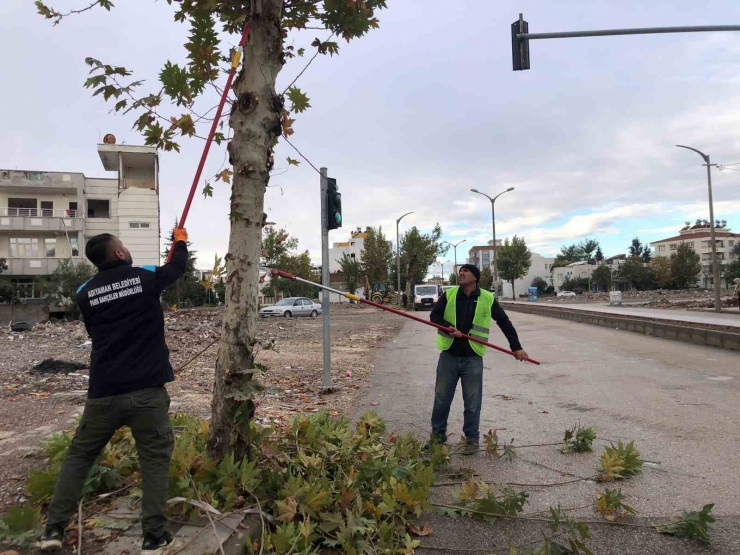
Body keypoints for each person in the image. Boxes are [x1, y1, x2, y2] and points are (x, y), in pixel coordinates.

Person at [38, 230, 189, 554]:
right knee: (154, 462)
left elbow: (96, 329)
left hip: (103, 393)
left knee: (78, 457)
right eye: (123, 245)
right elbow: (176, 269)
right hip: (147, 392)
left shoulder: (84, 293)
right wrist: (181, 242)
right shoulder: (144, 277)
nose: (127, 248)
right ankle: (154, 536)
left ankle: (53, 529)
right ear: (119, 254)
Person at [427, 264, 528, 455]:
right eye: (460, 272)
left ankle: (472, 440)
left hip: (472, 357)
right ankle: (437, 437)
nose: (461, 274)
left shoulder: (487, 298)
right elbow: (434, 316)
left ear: (475, 277)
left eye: (465, 271)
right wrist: (447, 327)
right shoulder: (449, 295)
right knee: (441, 399)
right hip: (449, 355)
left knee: (472, 402)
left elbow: (504, 321)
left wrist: (516, 347)